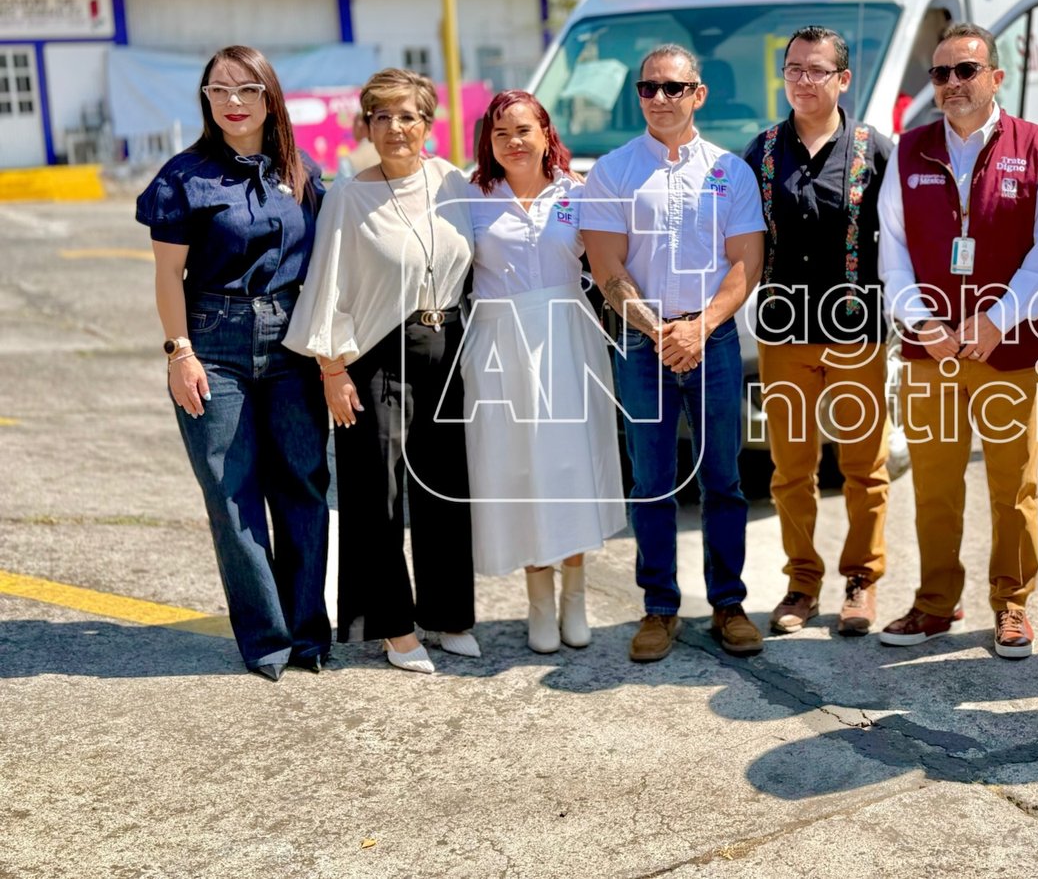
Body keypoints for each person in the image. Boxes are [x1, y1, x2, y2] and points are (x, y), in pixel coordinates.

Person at [136, 45, 331, 682]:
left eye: (246, 89)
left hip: (291, 340)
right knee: (230, 493)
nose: (233, 102)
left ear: (270, 96)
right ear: (206, 100)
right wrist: (179, 353)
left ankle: (309, 636)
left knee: (302, 486)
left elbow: (335, 251)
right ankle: (267, 640)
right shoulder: (183, 177)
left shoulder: (299, 172)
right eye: (219, 91)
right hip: (212, 342)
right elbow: (168, 276)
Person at [877, 22, 1038, 661]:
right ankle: (935, 603)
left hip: (1009, 348)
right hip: (930, 351)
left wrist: (999, 321)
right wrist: (923, 325)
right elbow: (893, 252)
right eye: (941, 74)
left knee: (1013, 486)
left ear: (996, 76)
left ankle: (1011, 604)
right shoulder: (910, 149)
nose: (953, 84)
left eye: (966, 70)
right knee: (933, 484)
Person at [286, 68, 477, 675]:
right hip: (373, 358)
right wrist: (331, 369)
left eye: (408, 116)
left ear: (428, 123)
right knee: (378, 497)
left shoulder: (454, 182)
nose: (396, 128)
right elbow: (328, 287)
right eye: (382, 117)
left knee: (446, 488)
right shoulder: (348, 195)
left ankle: (450, 614)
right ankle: (393, 627)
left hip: (445, 348)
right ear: (366, 125)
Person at [582, 44, 767, 663]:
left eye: (674, 88)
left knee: (724, 480)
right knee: (652, 482)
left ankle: (728, 604)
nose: (661, 98)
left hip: (712, 341)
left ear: (699, 94)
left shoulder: (730, 171)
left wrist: (698, 327)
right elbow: (606, 266)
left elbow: (746, 263)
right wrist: (658, 329)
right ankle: (659, 608)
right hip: (641, 342)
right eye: (649, 88)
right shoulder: (611, 171)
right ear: (638, 95)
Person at [743, 26, 893, 636]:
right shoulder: (761, 152)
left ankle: (862, 580)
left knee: (864, 465)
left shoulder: (876, 150)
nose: (803, 81)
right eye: (794, 70)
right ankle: (802, 581)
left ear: (842, 79)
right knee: (791, 467)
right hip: (784, 332)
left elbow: (904, 243)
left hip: (857, 330)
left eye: (817, 70)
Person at [462, 90, 626, 652]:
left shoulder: (577, 193)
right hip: (499, 344)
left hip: (567, 339)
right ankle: (537, 603)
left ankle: (574, 598)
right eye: (501, 131)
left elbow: (613, 261)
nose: (513, 141)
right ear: (489, 139)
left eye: (524, 129)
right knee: (519, 471)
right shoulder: (470, 195)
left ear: (545, 133)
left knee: (568, 469)